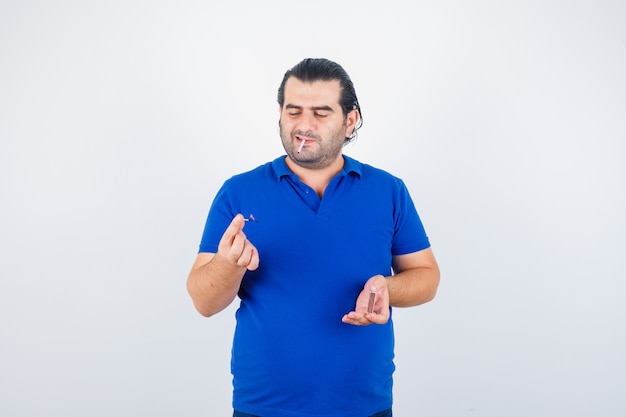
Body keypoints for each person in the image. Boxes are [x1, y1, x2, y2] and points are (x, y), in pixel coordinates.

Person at [187, 58, 440, 417]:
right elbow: (203, 302)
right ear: (279, 113)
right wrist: (228, 265)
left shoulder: (388, 191)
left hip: (364, 406)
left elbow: (427, 276)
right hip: (262, 407)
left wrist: (387, 288)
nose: (304, 125)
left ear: (350, 119)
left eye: (321, 113)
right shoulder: (238, 192)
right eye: (294, 111)